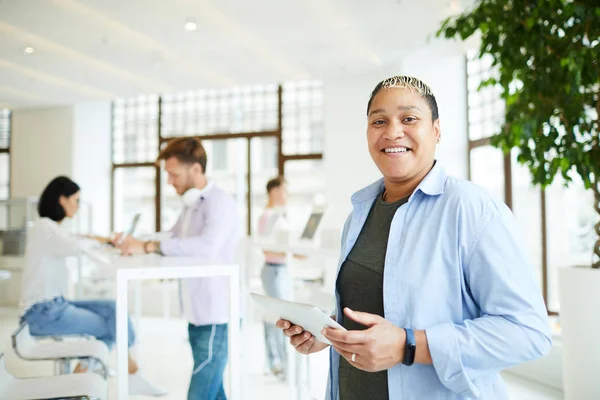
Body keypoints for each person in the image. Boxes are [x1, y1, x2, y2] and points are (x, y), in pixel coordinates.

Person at [276, 76, 552, 399]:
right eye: (379, 121)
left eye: (409, 118)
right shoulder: (359, 215)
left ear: (436, 130)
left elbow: (528, 332)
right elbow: (382, 306)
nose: (392, 132)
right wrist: (329, 331)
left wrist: (409, 345)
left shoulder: (471, 209)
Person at [19, 176, 166, 397]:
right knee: (111, 326)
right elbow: (73, 245)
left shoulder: (52, 229)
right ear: (62, 200)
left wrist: (104, 239)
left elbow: (78, 239)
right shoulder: (43, 227)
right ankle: (130, 374)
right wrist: (102, 241)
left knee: (113, 309)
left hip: (55, 306)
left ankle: (83, 379)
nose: (78, 206)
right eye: (76, 200)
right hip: (41, 313)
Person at [117, 137, 241, 400]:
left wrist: (149, 246)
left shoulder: (220, 202)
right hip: (196, 312)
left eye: (173, 174)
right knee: (213, 390)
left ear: (196, 169)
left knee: (200, 393)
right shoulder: (191, 204)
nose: (170, 181)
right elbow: (172, 237)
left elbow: (206, 246)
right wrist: (139, 242)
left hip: (216, 314)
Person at [257, 176, 292, 378]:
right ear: (274, 191)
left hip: (282, 269)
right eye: (284, 190)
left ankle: (278, 362)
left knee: (278, 316)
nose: (286, 195)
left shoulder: (280, 215)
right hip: (273, 270)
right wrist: (288, 251)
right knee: (279, 317)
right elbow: (267, 248)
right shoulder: (268, 216)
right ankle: (277, 363)